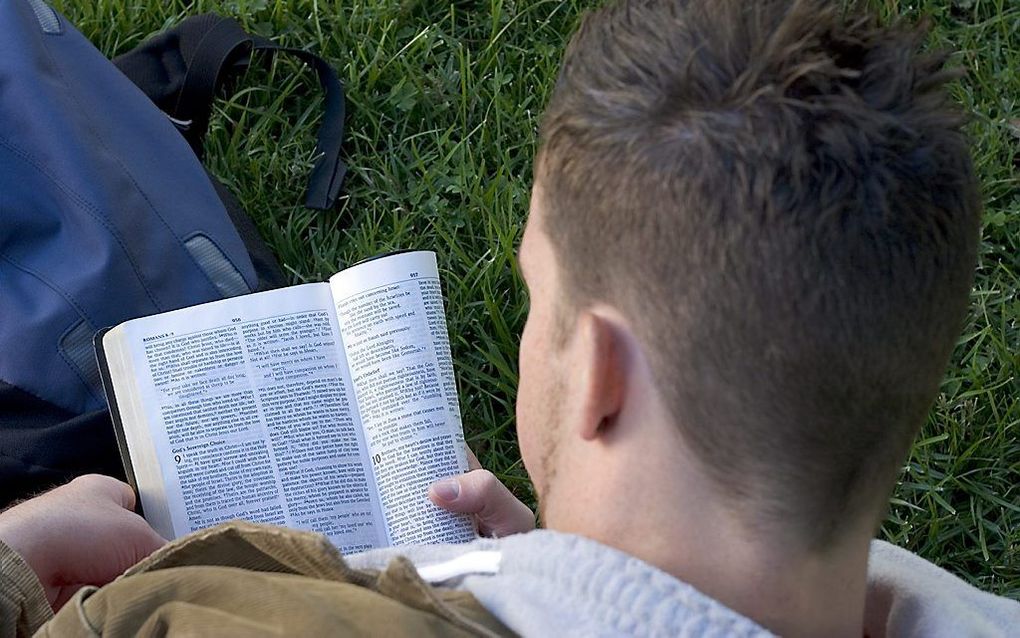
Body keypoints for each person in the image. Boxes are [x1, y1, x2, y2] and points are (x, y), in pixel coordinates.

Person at [2, 0, 1018, 635]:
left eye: (540, 296)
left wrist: (12, 563)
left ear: (605, 377)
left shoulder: (175, 620)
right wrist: (554, 555)